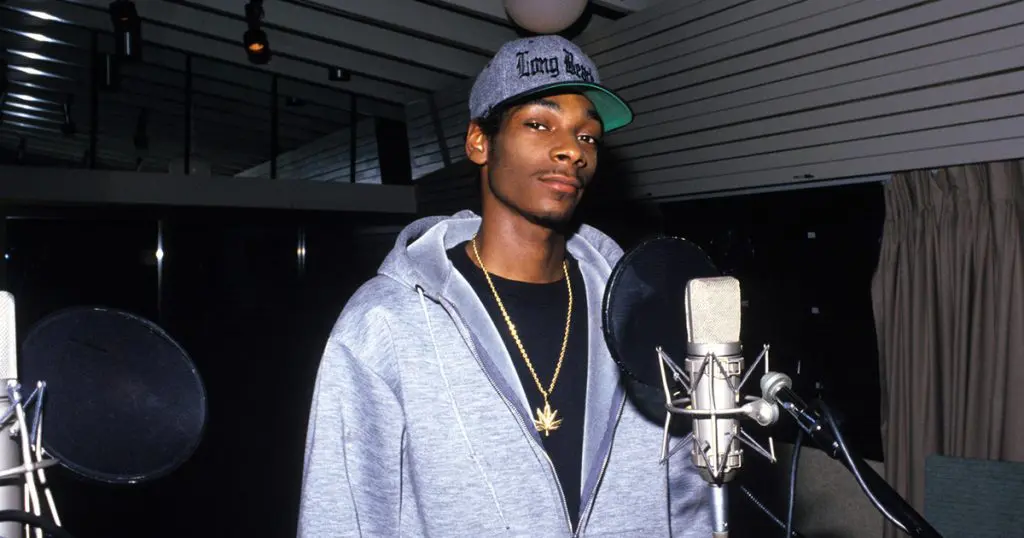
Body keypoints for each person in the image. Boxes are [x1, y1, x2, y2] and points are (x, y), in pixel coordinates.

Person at [298, 35, 711, 537]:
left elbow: (689, 497)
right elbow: (343, 515)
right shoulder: (386, 320)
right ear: (479, 142)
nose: (572, 150)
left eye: (587, 136)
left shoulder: (638, 308)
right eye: (539, 124)